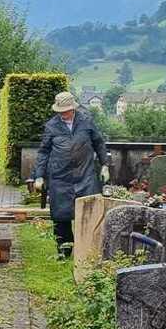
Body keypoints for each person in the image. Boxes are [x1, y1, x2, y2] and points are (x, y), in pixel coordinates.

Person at [32, 92, 110, 259]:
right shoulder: (51, 126)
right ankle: (64, 252)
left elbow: (99, 143)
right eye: (60, 111)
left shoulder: (86, 121)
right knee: (61, 217)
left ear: (73, 108)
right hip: (60, 178)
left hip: (85, 175)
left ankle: (89, 252)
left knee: (90, 212)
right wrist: (39, 176)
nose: (63, 114)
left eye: (66, 110)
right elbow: (44, 152)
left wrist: (105, 165)